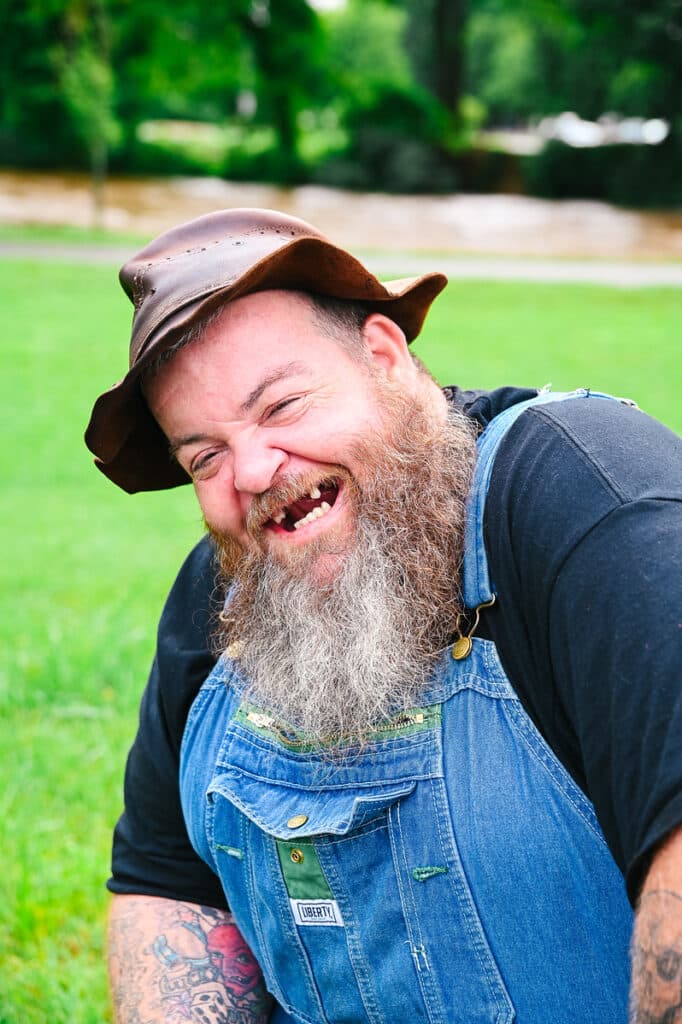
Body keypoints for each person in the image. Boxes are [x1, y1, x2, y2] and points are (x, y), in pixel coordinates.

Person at [85, 208, 682, 1024]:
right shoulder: (224, 593)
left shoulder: (582, 496)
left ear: (383, 356)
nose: (254, 472)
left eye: (281, 406)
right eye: (205, 457)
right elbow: (167, 888)